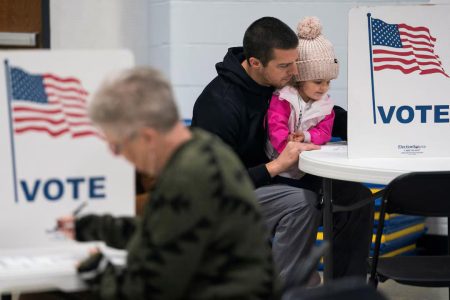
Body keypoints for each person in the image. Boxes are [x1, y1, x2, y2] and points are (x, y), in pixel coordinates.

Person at [55, 67, 280, 300]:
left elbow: (148, 290)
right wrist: (90, 227)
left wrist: (97, 271)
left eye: (118, 145)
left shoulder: (188, 176)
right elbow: (159, 231)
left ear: (147, 138)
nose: (117, 155)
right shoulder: (204, 148)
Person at [191, 16, 374, 284]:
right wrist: (277, 166)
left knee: (356, 199)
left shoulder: (280, 83)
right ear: (255, 63)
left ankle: (346, 290)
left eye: (295, 63)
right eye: (285, 66)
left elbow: (328, 115)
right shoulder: (218, 105)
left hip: (280, 177)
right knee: (300, 204)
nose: (294, 72)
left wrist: (374, 130)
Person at [265, 16, 337, 181]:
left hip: (308, 168)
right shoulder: (283, 98)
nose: (324, 87)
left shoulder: (325, 106)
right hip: (280, 167)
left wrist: (306, 136)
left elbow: (325, 132)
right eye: (318, 81)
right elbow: (275, 127)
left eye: (328, 82)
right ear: (301, 78)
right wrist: (288, 145)